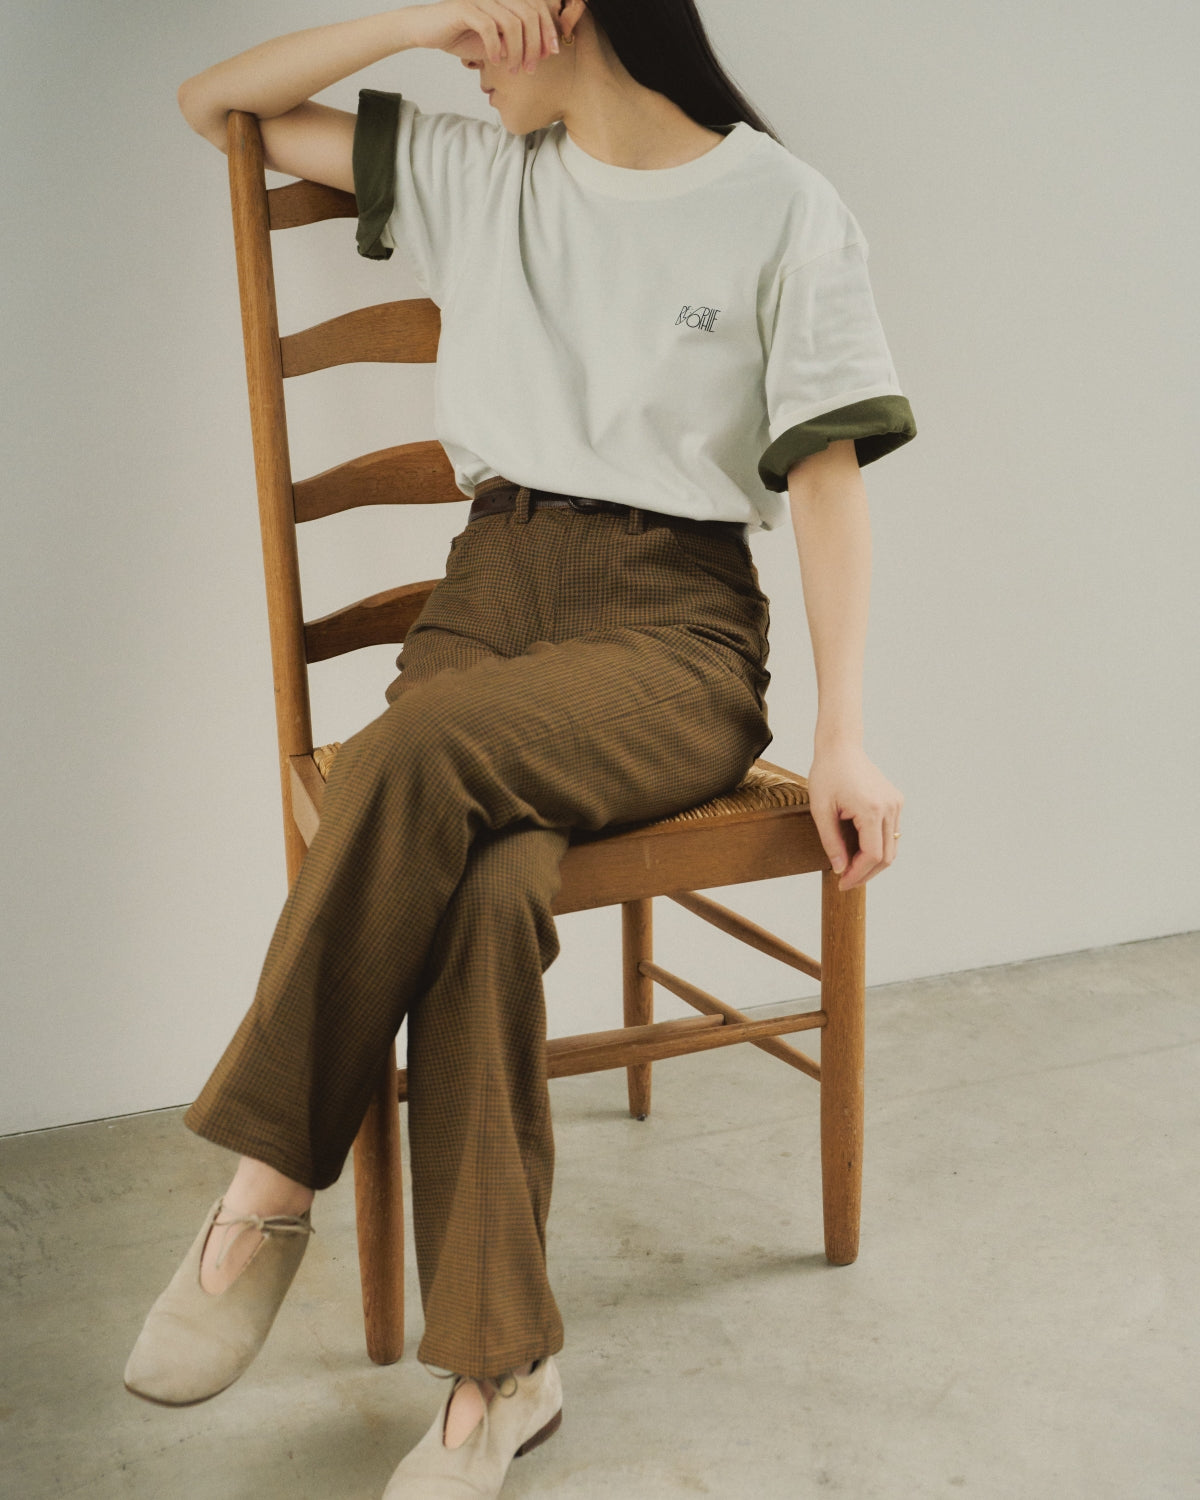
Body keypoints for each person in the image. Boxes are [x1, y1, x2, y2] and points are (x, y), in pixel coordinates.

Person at [124, 1, 914, 1494]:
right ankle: (502, 1373)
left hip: (673, 635)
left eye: (482, 15)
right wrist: (420, 20)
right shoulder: (473, 172)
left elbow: (825, 481)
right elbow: (213, 103)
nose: (465, 55)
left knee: (411, 756)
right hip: (482, 605)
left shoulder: (781, 204)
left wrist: (846, 733)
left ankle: (266, 1187)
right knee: (480, 892)